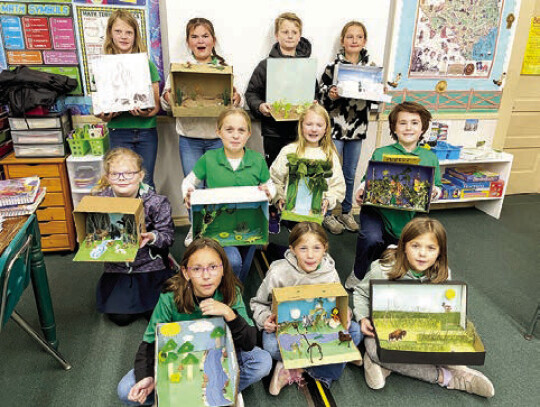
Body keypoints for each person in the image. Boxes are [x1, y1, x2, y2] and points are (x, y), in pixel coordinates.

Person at [117, 238, 273, 406]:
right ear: (186, 272)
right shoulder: (170, 297)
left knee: (262, 361)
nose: (206, 276)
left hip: (219, 357)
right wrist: (147, 376)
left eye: (213, 267)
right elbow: (149, 342)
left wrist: (230, 314)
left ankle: (215, 390)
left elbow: (250, 342)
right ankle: (195, 392)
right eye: (197, 269)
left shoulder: (231, 292)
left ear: (223, 269)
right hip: (179, 361)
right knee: (125, 390)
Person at [352, 217, 494, 398]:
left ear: (440, 252)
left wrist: (450, 317)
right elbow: (361, 293)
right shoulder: (382, 269)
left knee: (450, 343)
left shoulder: (443, 273)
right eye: (415, 246)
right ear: (403, 246)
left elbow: (445, 306)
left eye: (431, 248)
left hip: (421, 329)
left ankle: (455, 368)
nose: (422, 254)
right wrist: (363, 317)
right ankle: (447, 377)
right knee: (375, 351)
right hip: (382, 329)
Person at [250, 222, 362, 395]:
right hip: (287, 330)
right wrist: (265, 319)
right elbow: (258, 303)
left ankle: (294, 366)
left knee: (355, 332)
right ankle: (326, 362)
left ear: (325, 249)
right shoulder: (278, 272)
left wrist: (345, 313)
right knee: (271, 347)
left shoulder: (330, 272)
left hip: (318, 328)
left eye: (316, 248)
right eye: (303, 248)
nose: (310, 255)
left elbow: (339, 302)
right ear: (293, 249)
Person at [160, 17, 242, 246]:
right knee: (194, 186)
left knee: (217, 185)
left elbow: (235, 103)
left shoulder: (224, 68)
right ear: (188, 42)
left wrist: (237, 98)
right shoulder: (180, 70)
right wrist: (168, 97)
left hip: (218, 140)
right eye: (194, 36)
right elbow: (166, 103)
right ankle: (195, 228)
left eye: (205, 36)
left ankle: (214, 226)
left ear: (213, 40)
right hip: (190, 138)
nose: (200, 40)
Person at [346, 101, 442, 287]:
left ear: (423, 128)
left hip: (410, 215)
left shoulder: (430, 157)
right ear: (394, 128)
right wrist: (360, 190)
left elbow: (437, 186)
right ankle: (358, 273)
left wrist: (434, 192)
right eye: (402, 123)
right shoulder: (381, 153)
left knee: (407, 248)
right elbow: (367, 180)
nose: (408, 128)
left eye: (414, 123)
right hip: (378, 212)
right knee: (370, 238)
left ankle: (398, 272)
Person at [182, 108, 275, 282]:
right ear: (219, 132)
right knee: (234, 261)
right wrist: (187, 194)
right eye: (229, 130)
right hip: (219, 224)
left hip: (250, 223)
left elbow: (269, 185)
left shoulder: (257, 160)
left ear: (248, 134)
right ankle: (227, 290)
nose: (235, 136)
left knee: (245, 262)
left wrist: (270, 192)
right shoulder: (209, 158)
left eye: (241, 130)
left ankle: (236, 290)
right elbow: (188, 182)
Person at [245, 12, 313, 233]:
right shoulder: (266, 65)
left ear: (300, 35)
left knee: (298, 173)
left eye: (294, 32)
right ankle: (274, 212)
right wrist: (260, 106)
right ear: (277, 35)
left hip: (300, 132)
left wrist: (314, 102)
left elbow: (314, 93)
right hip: (273, 130)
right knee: (274, 172)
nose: (290, 36)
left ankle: (293, 215)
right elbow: (251, 93)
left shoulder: (306, 66)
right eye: (285, 31)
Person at [93, 148, 175, 326]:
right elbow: (93, 234)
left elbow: (168, 236)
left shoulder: (156, 202)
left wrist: (152, 237)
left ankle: (157, 287)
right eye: (115, 174)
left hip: (149, 266)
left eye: (129, 173)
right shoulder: (99, 201)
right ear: (107, 177)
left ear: (141, 175)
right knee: (120, 318)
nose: (122, 179)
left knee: (157, 316)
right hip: (117, 268)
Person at [95, 10, 161, 188]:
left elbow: (156, 106)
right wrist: (106, 116)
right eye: (118, 31)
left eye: (129, 32)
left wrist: (146, 113)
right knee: (122, 182)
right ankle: (128, 216)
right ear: (110, 33)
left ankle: (148, 216)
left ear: (135, 35)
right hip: (119, 131)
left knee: (145, 181)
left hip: (146, 131)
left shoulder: (147, 64)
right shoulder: (103, 66)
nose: (124, 37)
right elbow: (102, 108)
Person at [318, 21, 373, 234]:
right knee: (331, 172)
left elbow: (374, 100)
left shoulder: (371, 68)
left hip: (358, 128)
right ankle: (328, 214)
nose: (354, 41)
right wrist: (330, 93)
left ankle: (347, 211)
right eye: (350, 37)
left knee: (350, 172)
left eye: (359, 37)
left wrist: (378, 91)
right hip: (335, 127)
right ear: (343, 41)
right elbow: (322, 93)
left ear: (364, 41)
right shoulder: (333, 67)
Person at [270, 104, 345, 228]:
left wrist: (328, 201)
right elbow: (274, 179)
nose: (314, 129)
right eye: (309, 124)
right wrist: (279, 198)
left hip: (317, 215)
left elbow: (337, 186)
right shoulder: (289, 151)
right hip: (292, 214)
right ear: (301, 126)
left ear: (326, 128)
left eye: (319, 125)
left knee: (313, 243)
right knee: (296, 243)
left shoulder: (329, 155)